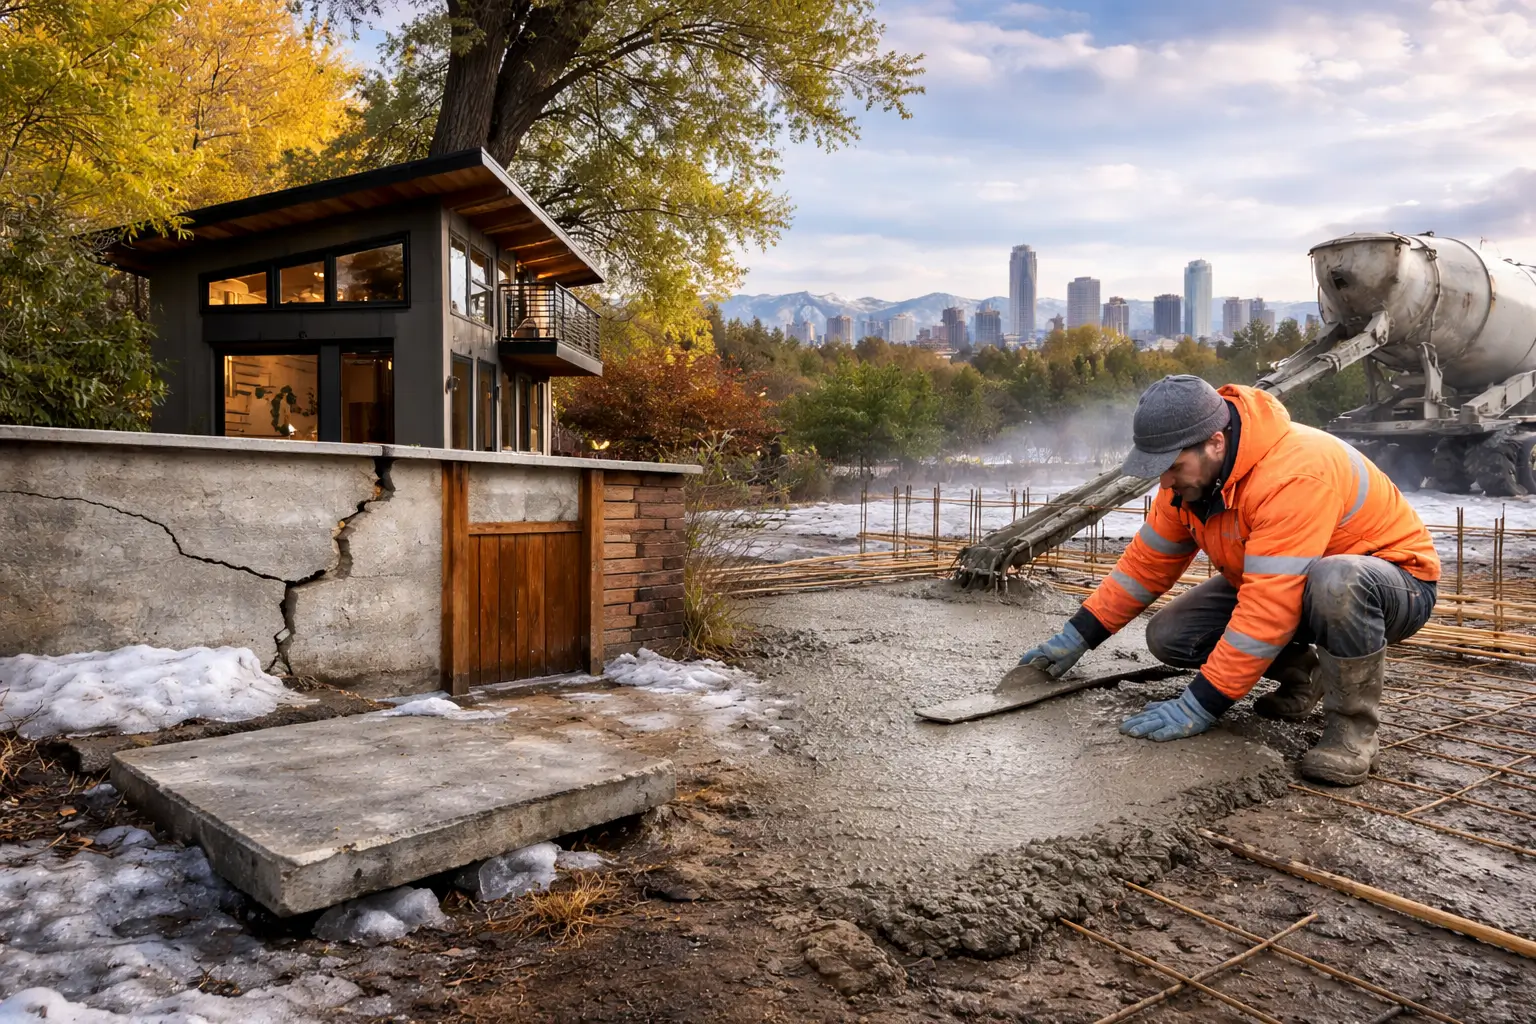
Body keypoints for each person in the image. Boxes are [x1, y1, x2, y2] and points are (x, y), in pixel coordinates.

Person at [1019, 375, 1439, 786]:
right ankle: (1305, 674)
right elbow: (1145, 566)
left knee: (1337, 581)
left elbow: (1268, 608)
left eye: (1173, 466)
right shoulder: (1187, 485)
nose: (1164, 481)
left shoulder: (1291, 475)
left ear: (1215, 443)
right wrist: (1076, 636)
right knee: (1172, 635)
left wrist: (1200, 705)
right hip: (1290, 581)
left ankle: (1352, 731)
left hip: (1391, 584)